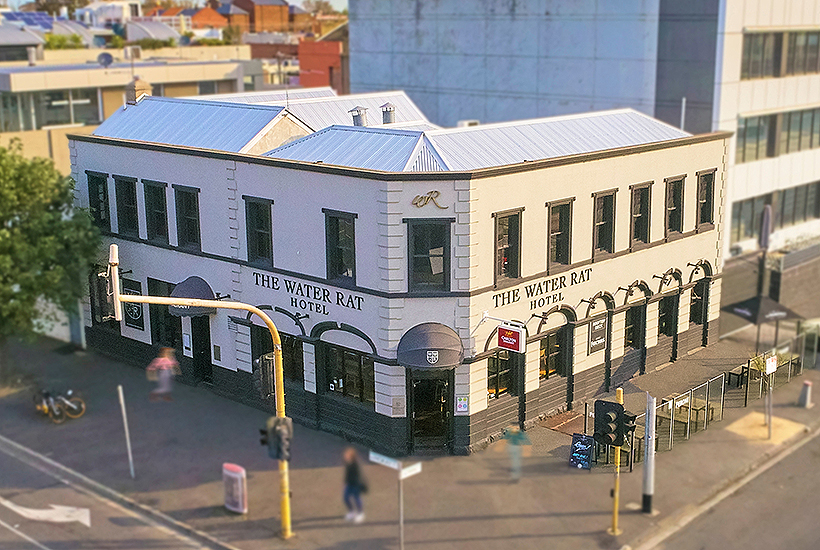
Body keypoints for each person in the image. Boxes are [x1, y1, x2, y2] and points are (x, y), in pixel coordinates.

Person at [342, 447, 366, 523]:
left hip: (355, 484)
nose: (345, 456)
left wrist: (356, 485)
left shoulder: (356, 465)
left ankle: (360, 513)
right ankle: (352, 512)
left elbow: (358, 476)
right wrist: (345, 482)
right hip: (349, 484)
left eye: (346, 455)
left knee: (357, 499)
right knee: (345, 498)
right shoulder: (347, 463)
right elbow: (347, 474)